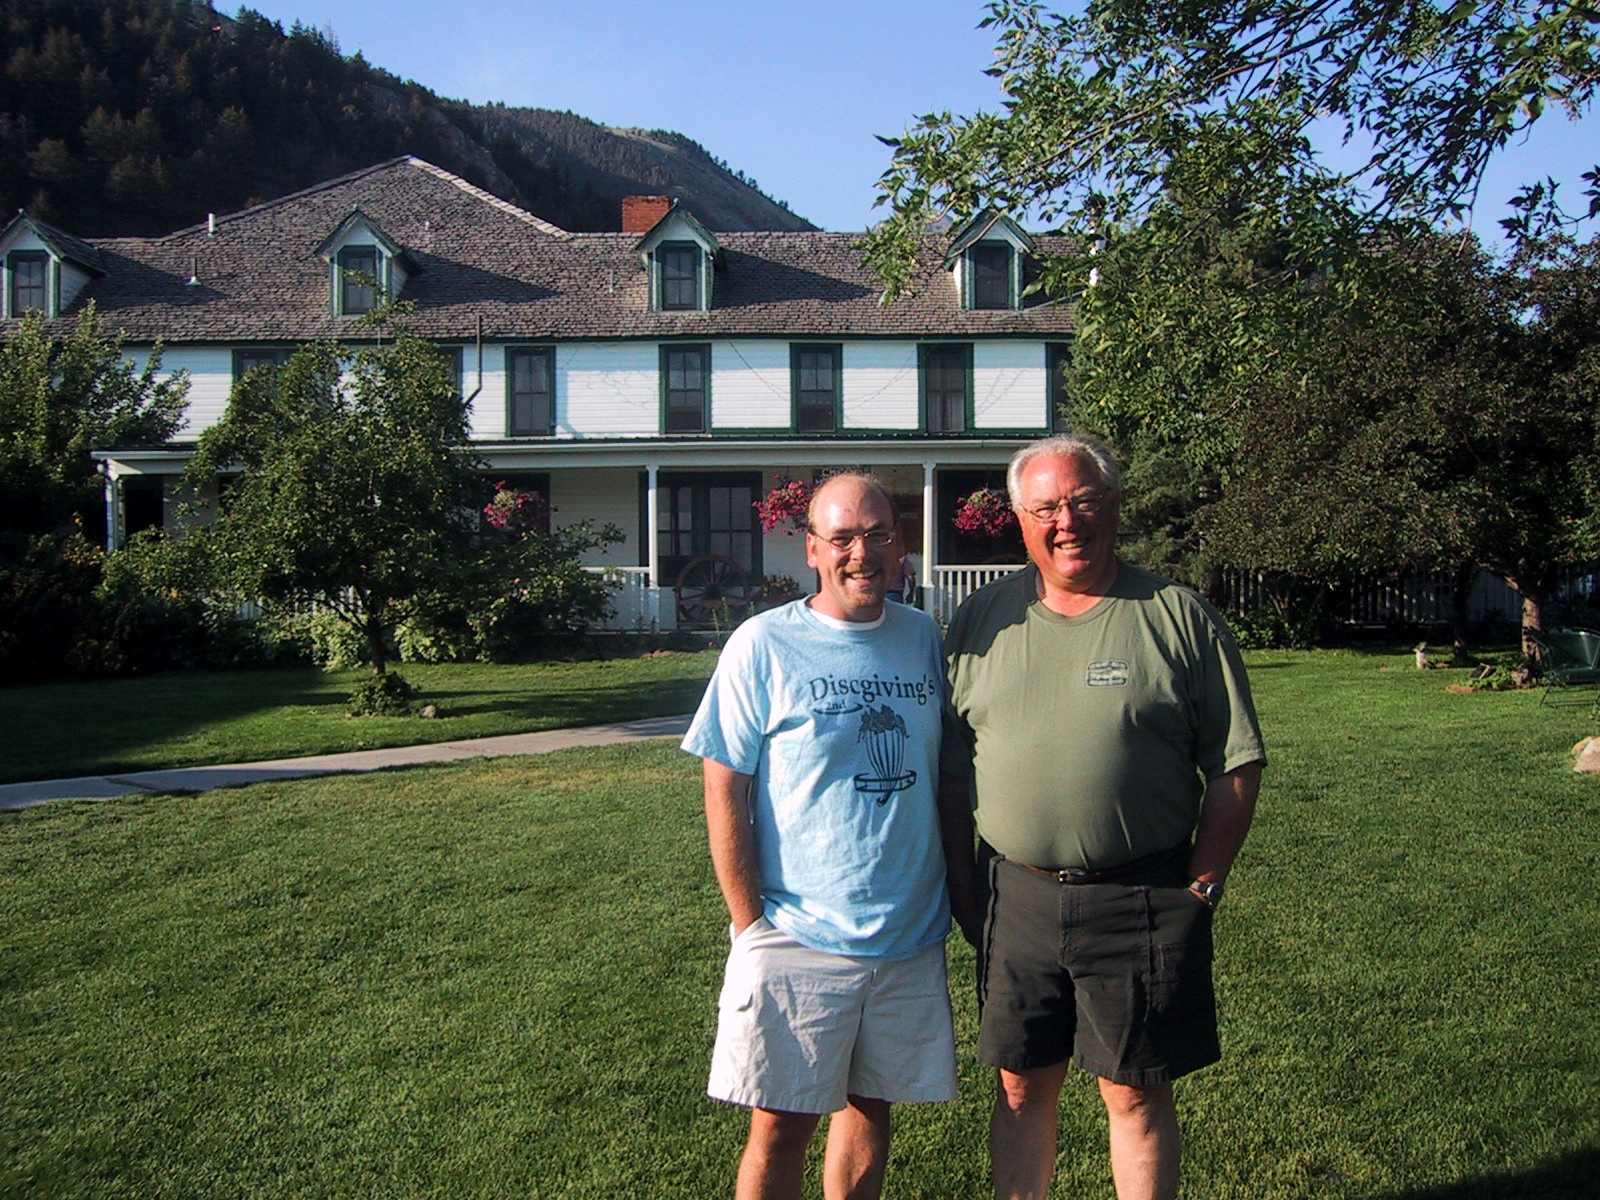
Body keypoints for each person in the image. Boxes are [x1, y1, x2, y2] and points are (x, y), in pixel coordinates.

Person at [940, 434, 1265, 1200]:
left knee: (1135, 1093)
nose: (1067, 521)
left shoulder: (1176, 616)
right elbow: (953, 772)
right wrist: (964, 889)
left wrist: (1203, 885)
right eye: (1047, 507)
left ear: (1114, 506)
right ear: (1021, 519)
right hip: (1015, 898)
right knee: (1019, 1087)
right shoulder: (980, 621)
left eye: (1083, 501)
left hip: (1140, 896)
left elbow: (1236, 762)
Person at [683, 473, 957, 1200]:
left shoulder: (921, 637)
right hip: (797, 932)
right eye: (842, 538)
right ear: (812, 549)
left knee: (871, 1109)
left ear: (899, 546)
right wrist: (750, 925)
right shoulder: (763, 644)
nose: (860, 553)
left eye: (877, 535)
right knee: (780, 1127)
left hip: (907, 935)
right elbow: (723, 788)